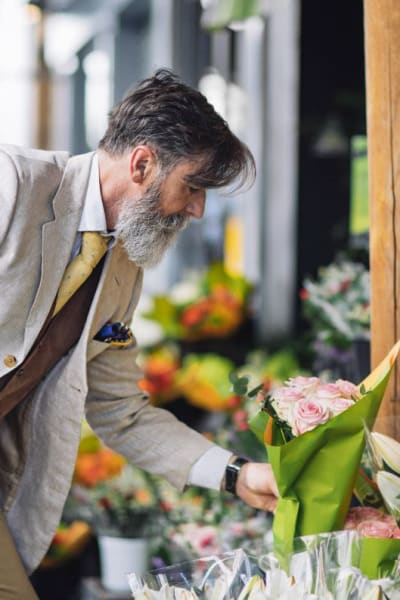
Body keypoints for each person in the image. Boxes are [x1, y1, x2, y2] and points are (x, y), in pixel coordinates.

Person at [0, 69, 278, 598]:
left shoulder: (124, 266)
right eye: (192, 187)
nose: (197, 210)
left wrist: (236, 473)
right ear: (143, 163)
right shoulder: (11, 184)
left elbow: (120, 411)